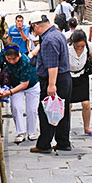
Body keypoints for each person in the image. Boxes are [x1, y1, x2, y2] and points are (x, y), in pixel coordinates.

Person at [29, 12, 72, 154]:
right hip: (65, 77)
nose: (33, 33)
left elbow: (52, 64)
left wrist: (51, 85)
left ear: (36, 26)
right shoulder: (57, 34)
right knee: (62, 111)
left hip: (54, 79)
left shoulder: (48, 40)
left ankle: (44, 144)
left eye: (33, 29)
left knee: (47, 111)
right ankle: (63, 142)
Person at [0, 45, 40, 143]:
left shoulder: (25, 61)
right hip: (14, 84)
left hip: (31, 84)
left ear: (19, 54)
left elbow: (24, 84)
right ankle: (20, 132)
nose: (11, 61)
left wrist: (9, 92)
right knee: (15, 107)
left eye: (14, 59)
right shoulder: (3, 54)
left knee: (32, 109)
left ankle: (31, 132)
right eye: (8, 59)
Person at [68, 29, 92, 137]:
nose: (80, 48)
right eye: (77, 46)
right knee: (69, 104)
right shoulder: (67, 47)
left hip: (82, 76)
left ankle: (87, 128)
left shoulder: (88, 46)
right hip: (69, 76)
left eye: (82, 46)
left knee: (86, 103)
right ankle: (66, 127)